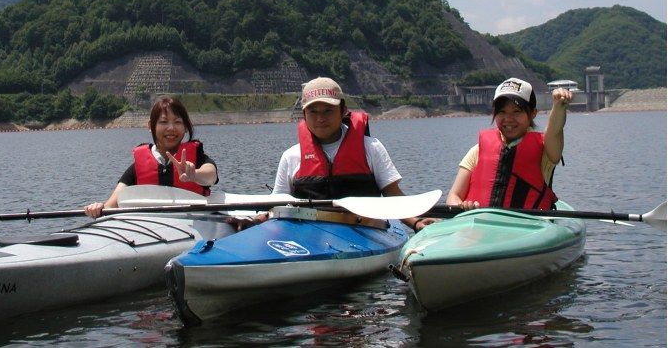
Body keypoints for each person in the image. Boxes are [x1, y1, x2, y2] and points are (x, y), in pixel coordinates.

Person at [253, 77, 434, 233]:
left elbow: (392, 195)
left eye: (328, 111)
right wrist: (256, 220)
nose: (320, 118)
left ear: (343, 110)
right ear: (304, 114)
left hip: (367, 229)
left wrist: (416, 222)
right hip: (311, 233)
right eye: (313, 112)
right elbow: (277, 205)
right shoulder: (291, 157)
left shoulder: (371, 148)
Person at [446, 77, 572, 211]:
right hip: (479, 225)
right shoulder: (477, 151)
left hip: (529, 227)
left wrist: (559, 105)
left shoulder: (545, 150)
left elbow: (554, 130)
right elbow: (454, 196)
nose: (508, 119)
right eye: (502, 112)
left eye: (516, 111)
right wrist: (462, 206)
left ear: (533, 113)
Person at [83, 95, 218, 218]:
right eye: (163, 122)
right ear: (150, 126)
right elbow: (112, 204)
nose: (171, 128)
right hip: (153, 228)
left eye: (177, 122)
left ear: (186, 127)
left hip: (194, 222)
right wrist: (99, 208)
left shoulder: (197, 157)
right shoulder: (138, 166)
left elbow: (211, 176)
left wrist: (194, 174)